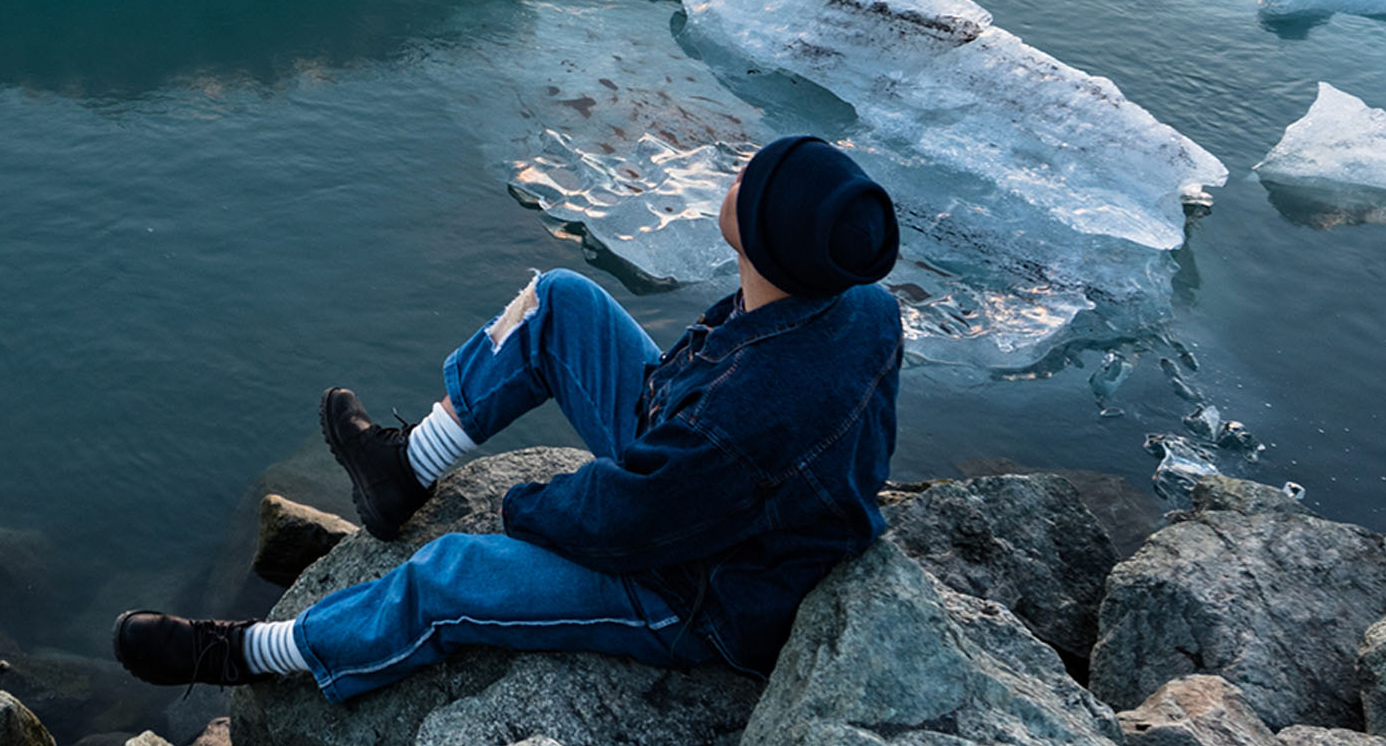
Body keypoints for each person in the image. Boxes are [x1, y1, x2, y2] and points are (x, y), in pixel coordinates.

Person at [112, 133, 902, 698]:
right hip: (708, 484)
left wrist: (524, 506)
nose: (734, 171)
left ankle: (254, 654)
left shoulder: (743, 418)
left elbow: (631, 521)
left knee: (452, 573)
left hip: (703, 592)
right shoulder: (854, 300)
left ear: (765, 238)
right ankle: (404, 468)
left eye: (748, 179)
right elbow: (713, 445)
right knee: (560, 302)